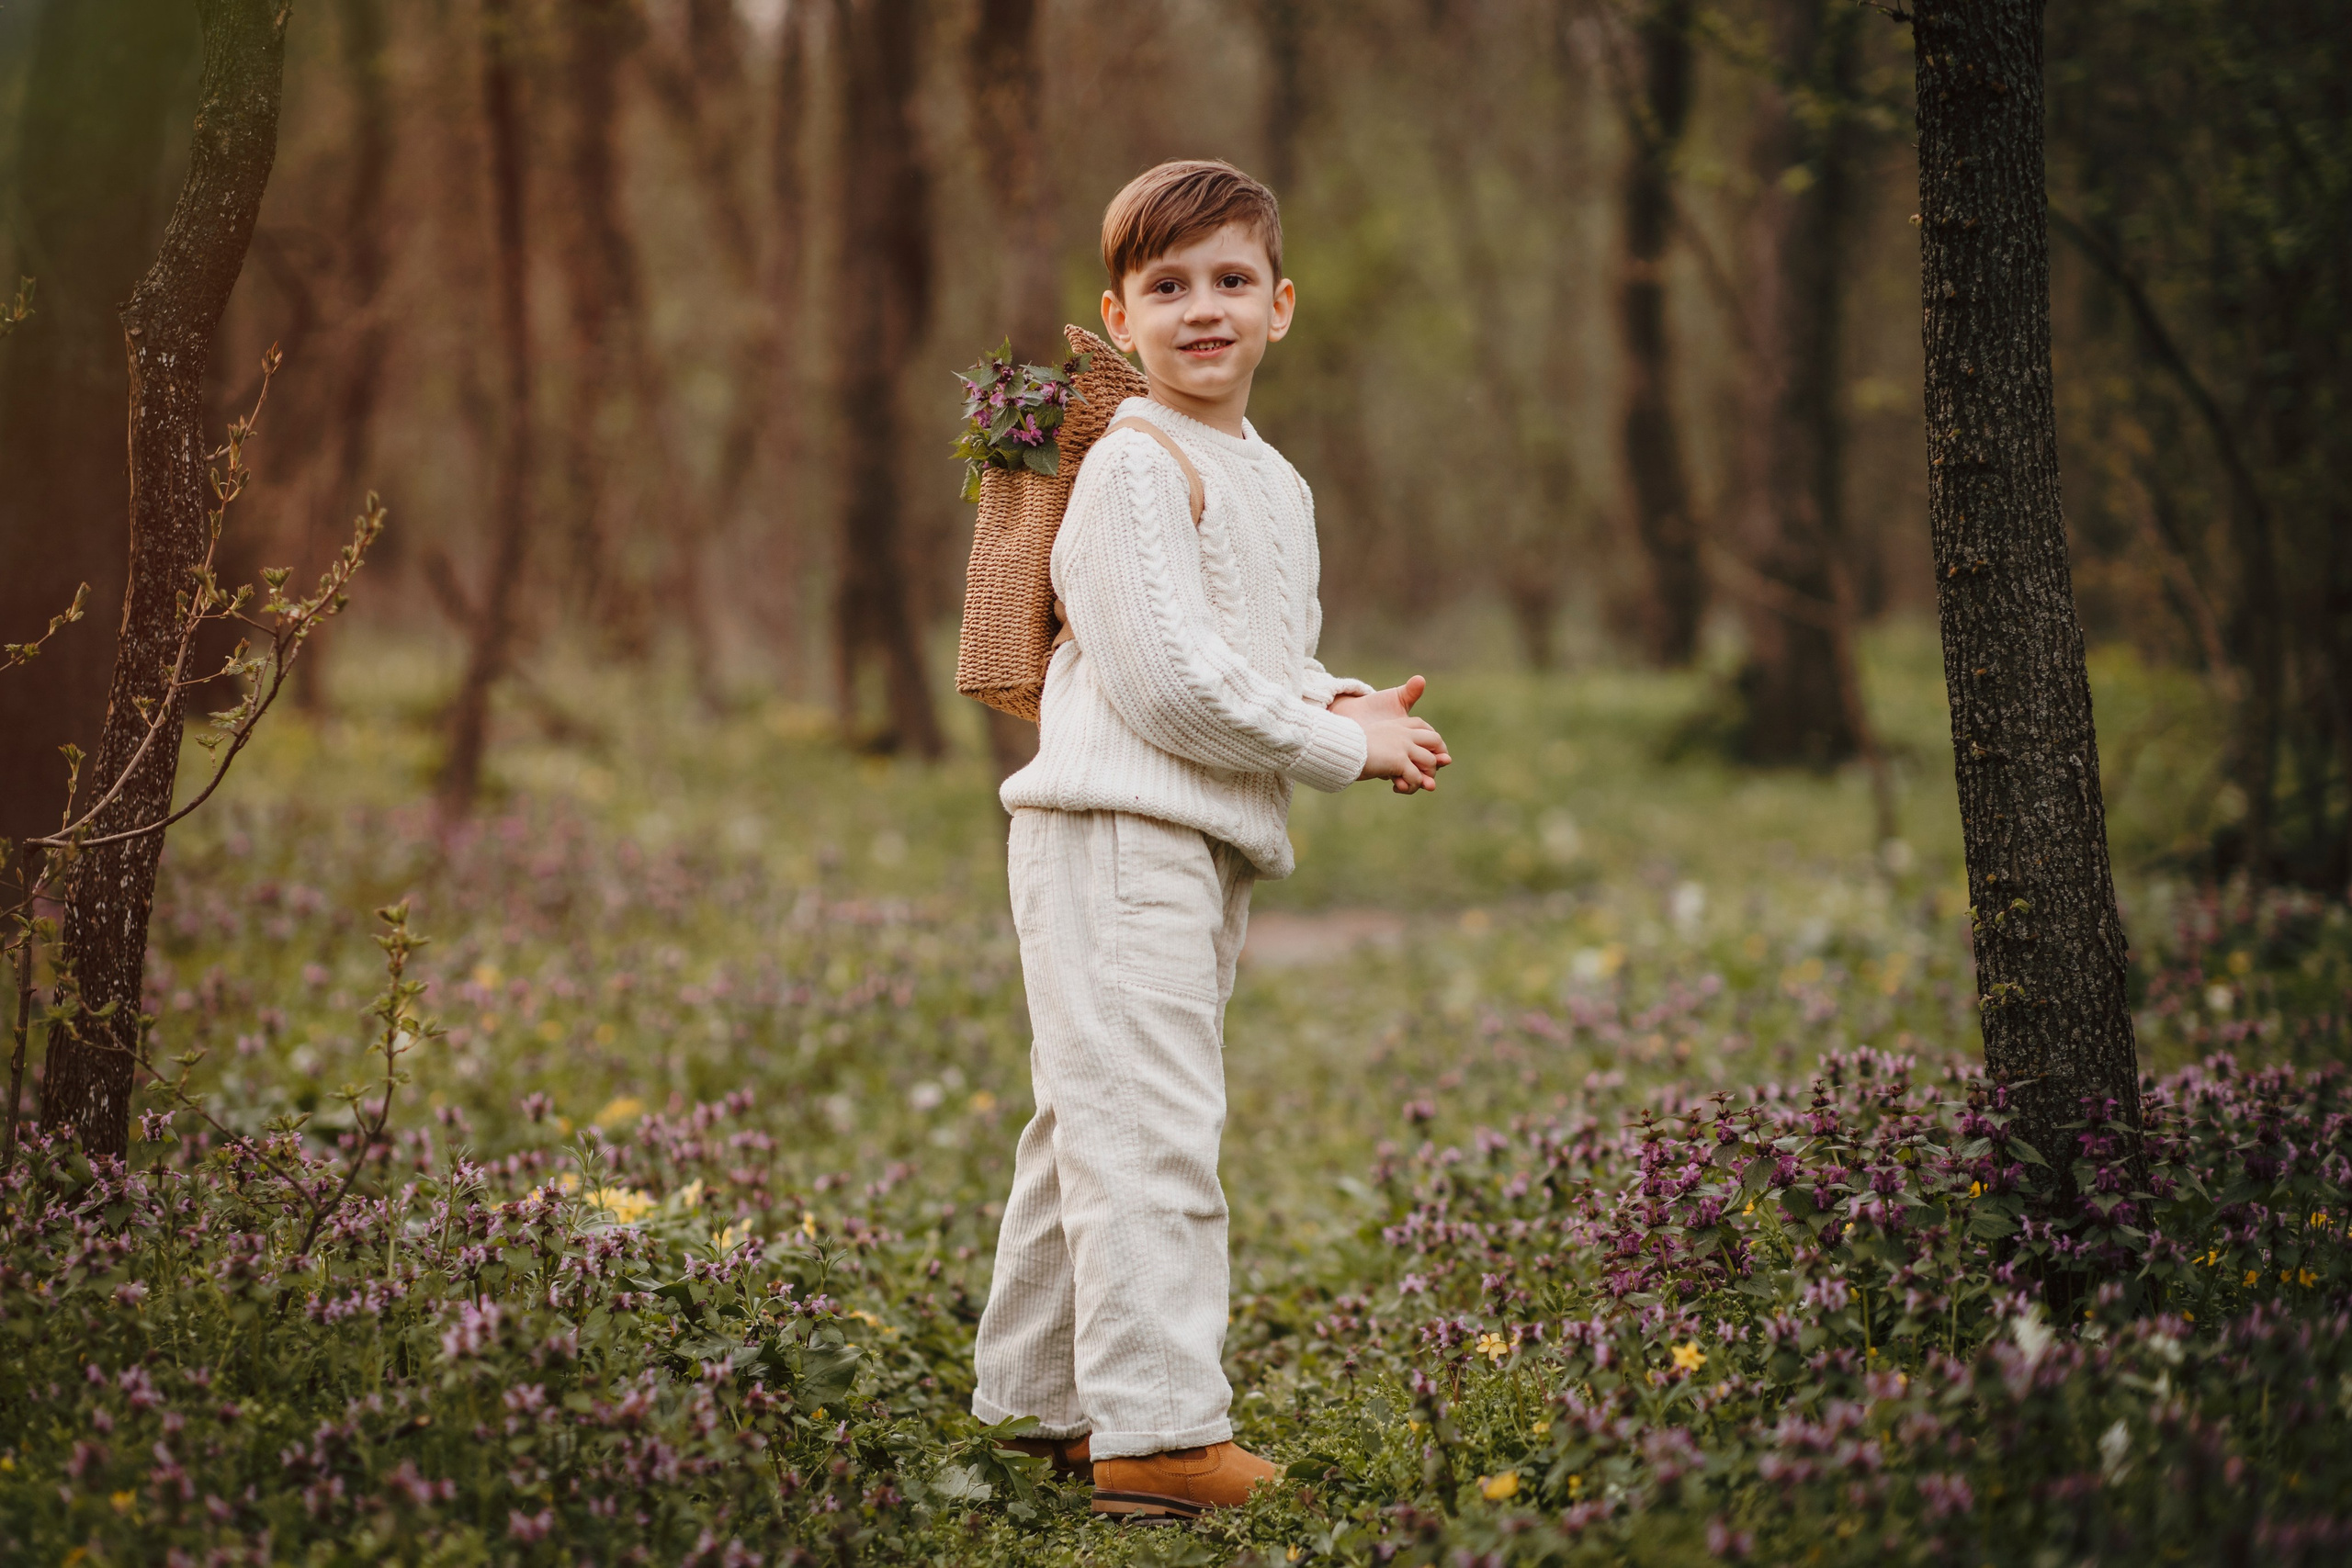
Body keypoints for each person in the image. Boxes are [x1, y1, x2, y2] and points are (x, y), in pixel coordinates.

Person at [973, 158, 1452, 1521]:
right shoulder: (1132, 465)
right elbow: (1167, 678)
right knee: (1151, 1129)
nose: (1202, 310)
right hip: (1118, 833)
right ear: (1116, 319)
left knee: (1096, 1115)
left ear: (1281, 306)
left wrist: (1338, 699)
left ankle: (1039, 1406)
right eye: (1167, 287)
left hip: (1191, 840)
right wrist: (1329, 748)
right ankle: (1162, 1436)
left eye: (1230, 282)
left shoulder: (1270, 477)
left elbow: (1254, 654)